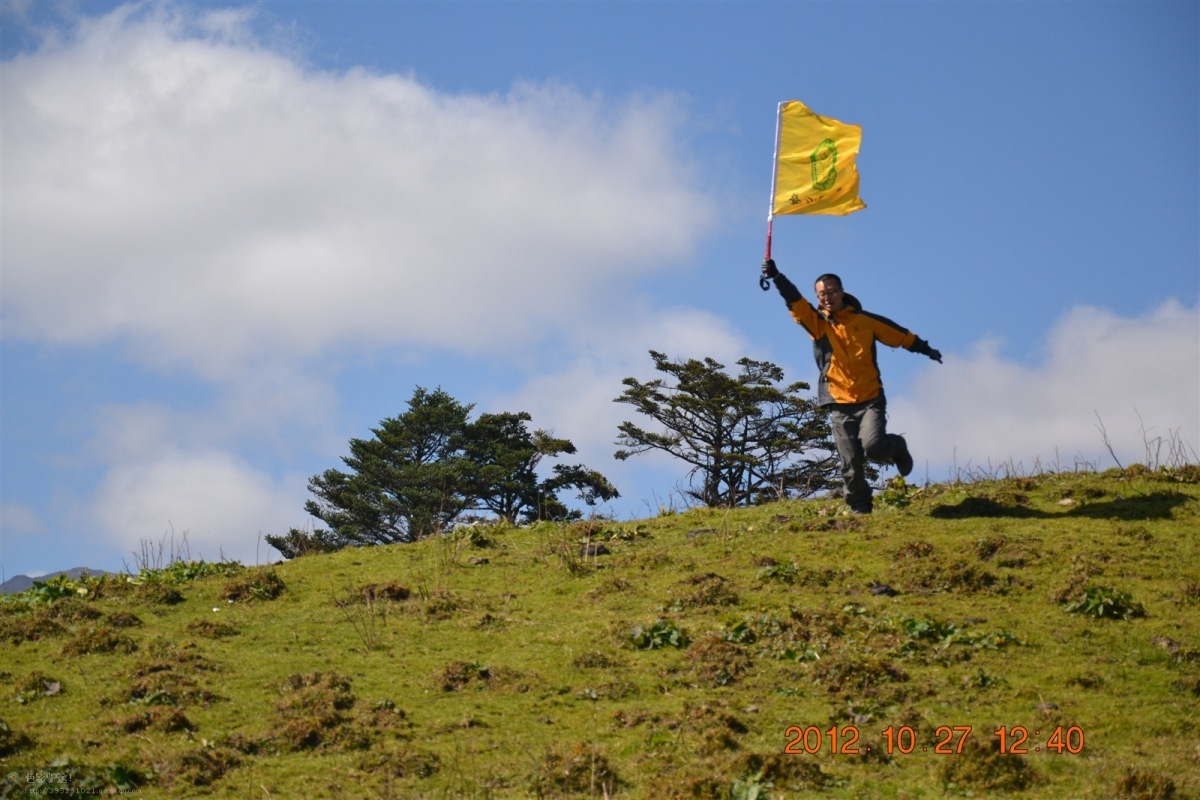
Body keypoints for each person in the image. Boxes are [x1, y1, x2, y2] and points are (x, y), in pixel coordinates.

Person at [761, 258, 942, 514]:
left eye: (832, 291)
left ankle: (898, 447)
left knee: (874, 447)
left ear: (842, 291)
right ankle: (860, 510)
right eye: (822, 294)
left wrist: (926, 349)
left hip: (870, 399)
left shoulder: (865, 321)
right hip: (838, 402)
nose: (827, 297)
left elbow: (900, 336)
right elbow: (795, 302)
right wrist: (777, 276)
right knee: (851, 463)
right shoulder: (817, 324)